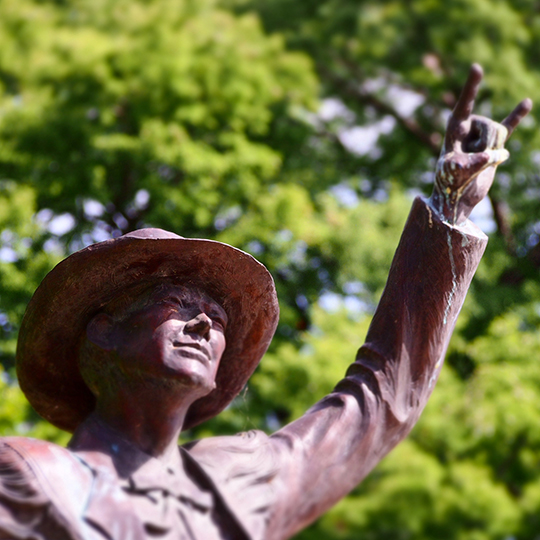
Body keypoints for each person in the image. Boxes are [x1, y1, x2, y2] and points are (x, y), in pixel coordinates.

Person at [0, 65, 532, 540]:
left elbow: (381, 396)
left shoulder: (238, 480)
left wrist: (449, 207)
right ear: (104, 330)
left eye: (220, 317)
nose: (205, 322)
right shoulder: (32, 479)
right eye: (177, 301)